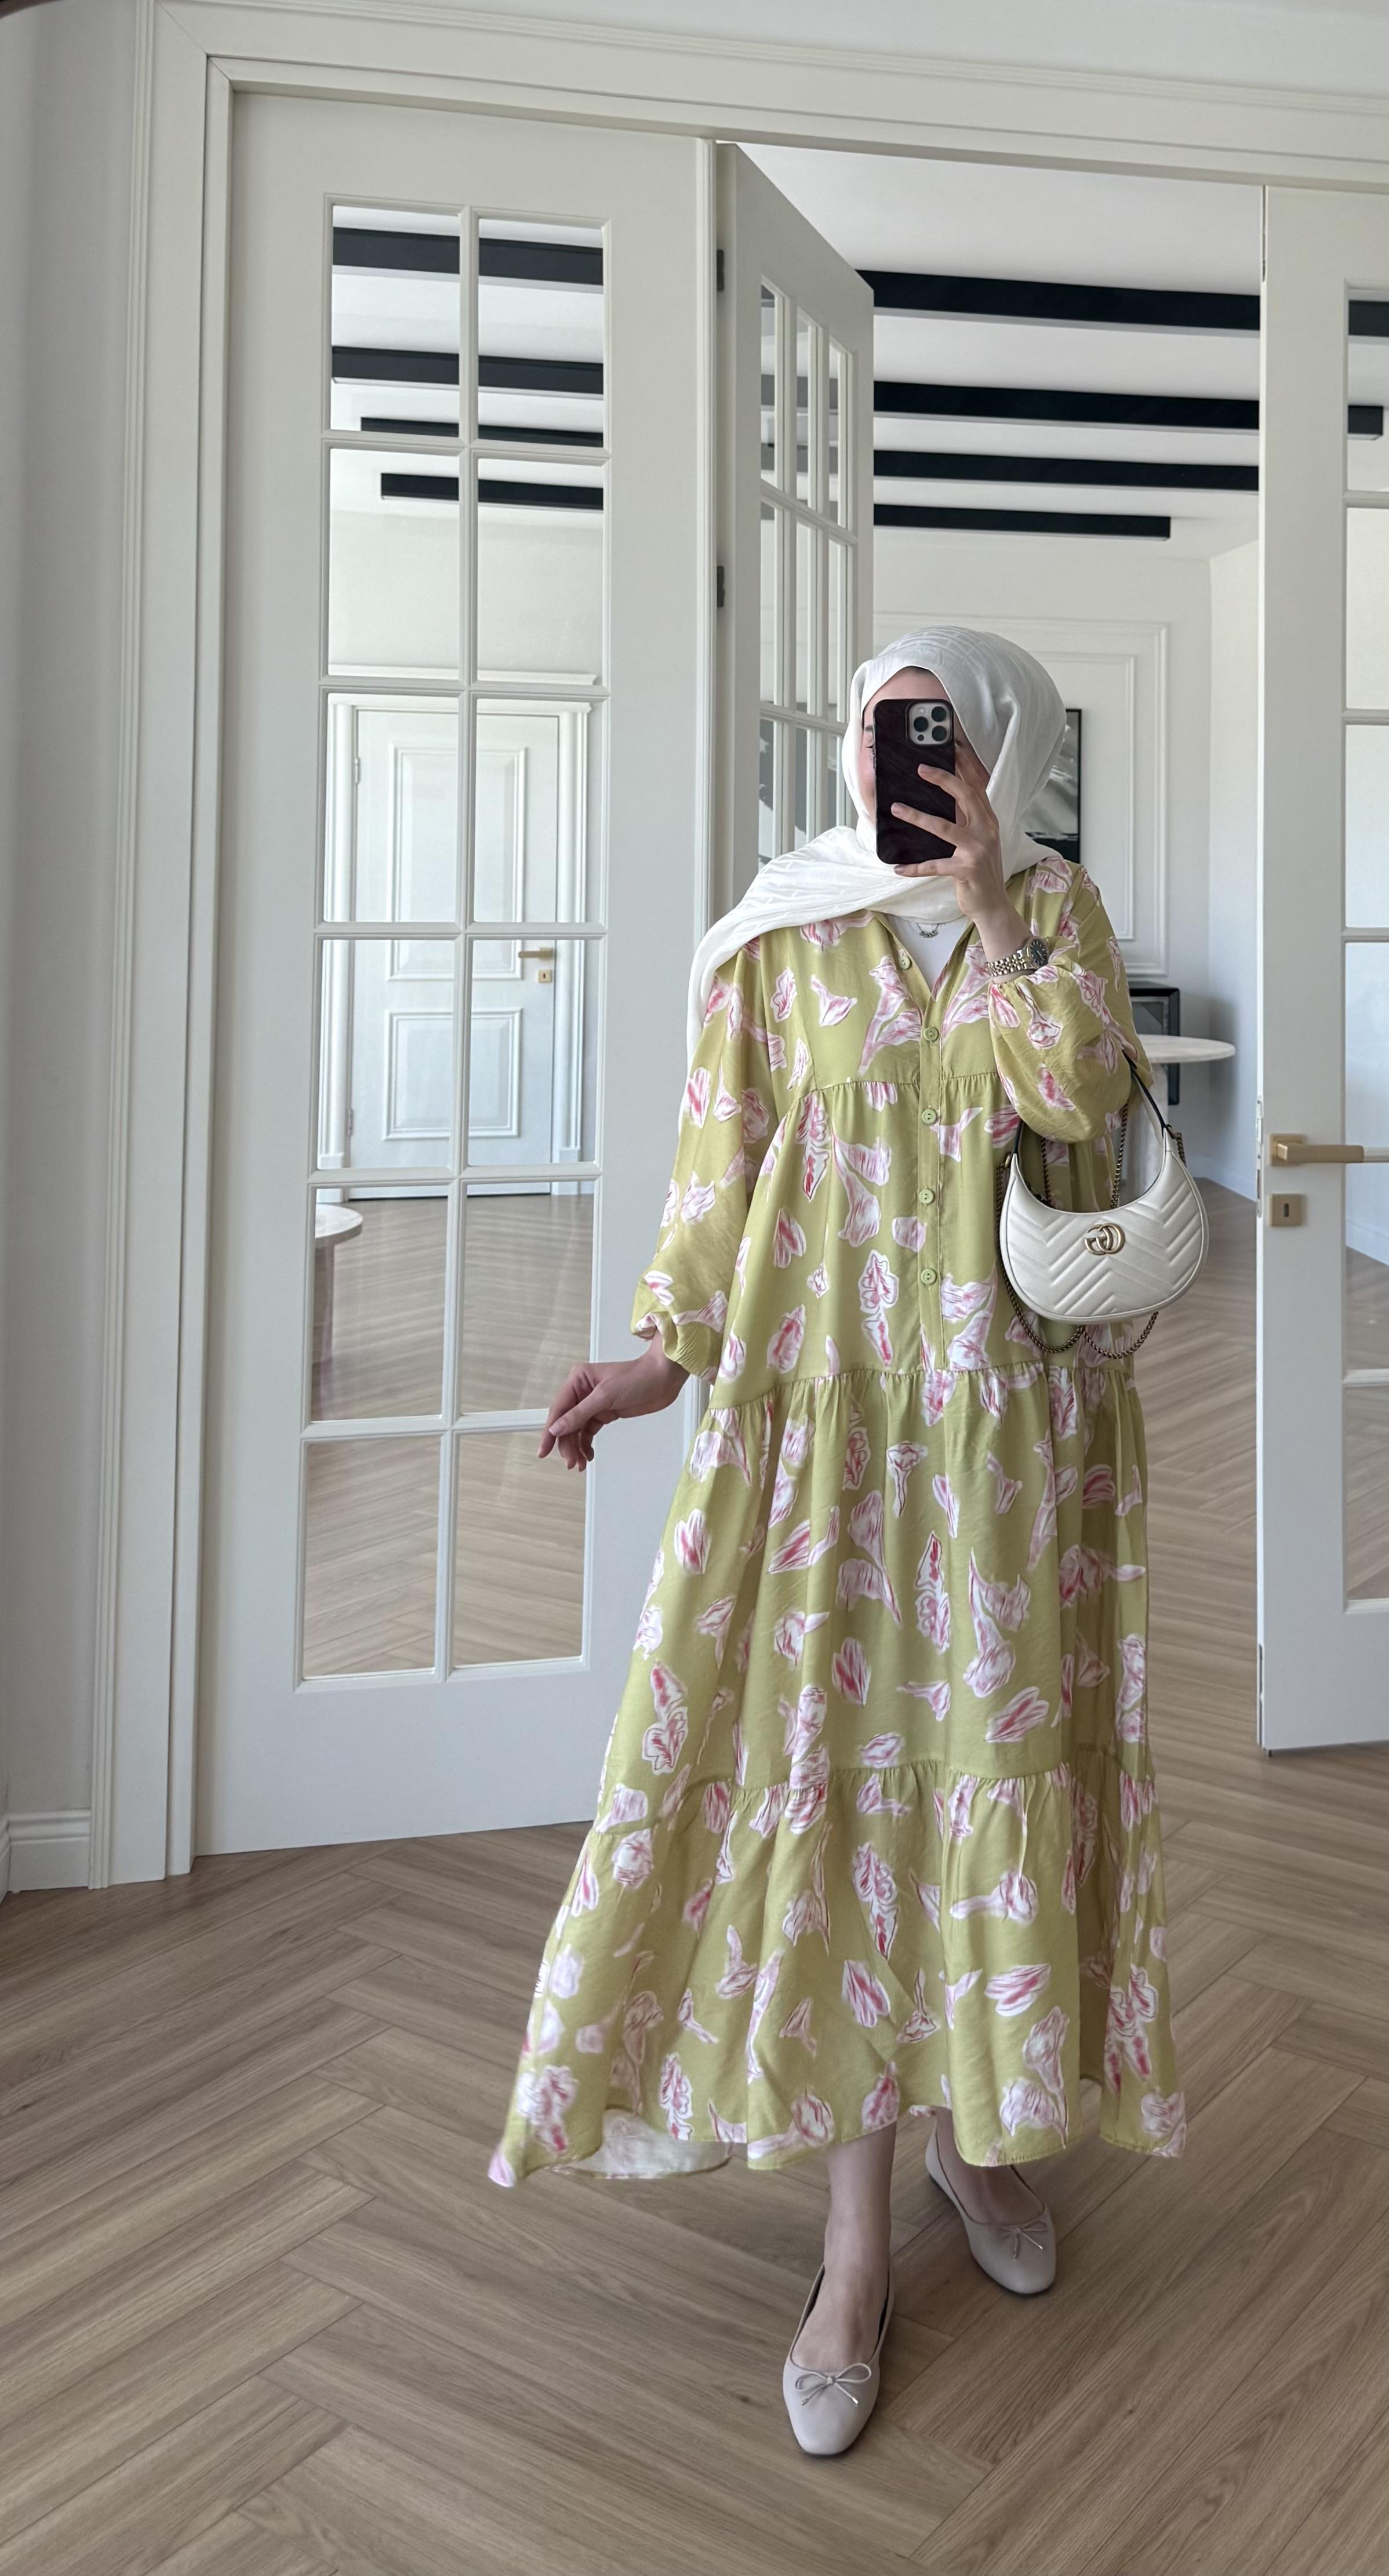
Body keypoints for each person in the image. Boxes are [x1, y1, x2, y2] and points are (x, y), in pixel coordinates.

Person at [490, 628, 1180, 2457]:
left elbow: (1079, 1103)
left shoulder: (1055, 913)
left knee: (975, 1774)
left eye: (931, 732)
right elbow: (717, 1170)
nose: (899, 760)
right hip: (827, 1439)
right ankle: (853, 2255)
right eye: (879, 732)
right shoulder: (780, 929)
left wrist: (997, 911)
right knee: (854, 1788)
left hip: (1008, 1440)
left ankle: (978, 2138)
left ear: (997, 748)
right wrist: (659, 1354)